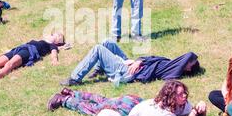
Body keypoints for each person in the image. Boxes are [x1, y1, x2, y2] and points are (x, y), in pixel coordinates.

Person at [47, 80, 208, 116]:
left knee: (102, 99)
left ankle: (72, 92)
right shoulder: (163, 113)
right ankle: (63, 100)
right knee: (96, 108)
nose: (185, 96)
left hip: (136, 101)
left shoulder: (180, 103)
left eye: (184, 93)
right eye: (180, 94)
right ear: (171, 97)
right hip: (127, 109)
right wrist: (195, 111)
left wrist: (201, 110)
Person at [60, 39, 201, 87]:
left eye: (190, 62)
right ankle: (101, 69)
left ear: (188, 69)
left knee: (98, 49)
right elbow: (151, 57)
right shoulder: (171, 63)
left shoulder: (174, 71)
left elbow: (189, 54)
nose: (187, 59)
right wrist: (138, 61)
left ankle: (75, 78)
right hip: (135, 65)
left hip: (129, 73)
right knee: (107, 42)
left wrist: (136, 66)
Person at [0, 32, 65, 85]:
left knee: (10, 64)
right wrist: (0, 54)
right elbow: (13, 48)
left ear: (57, 42)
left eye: (55, 36)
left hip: (29, 51)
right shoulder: (38, 40)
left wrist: (54, 60)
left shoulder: (51, 45)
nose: (51, 36)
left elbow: (54, 53)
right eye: (53, 34)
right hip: (19, 48)